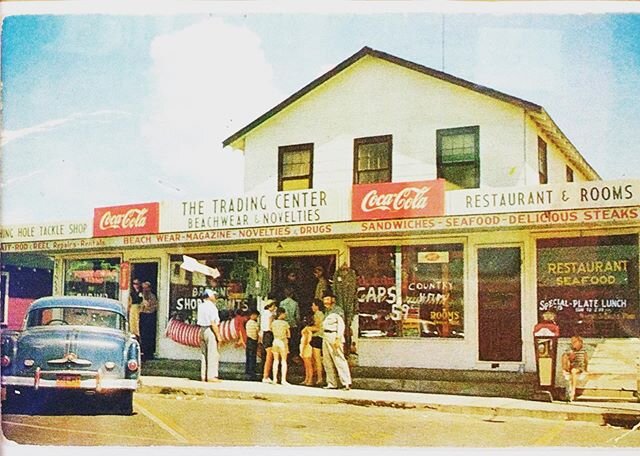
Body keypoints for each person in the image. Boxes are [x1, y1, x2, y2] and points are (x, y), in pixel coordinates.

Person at [321, 292, 351, 390]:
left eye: (327, 299)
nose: (325, 301)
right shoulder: (327, 311)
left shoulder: (337, 311)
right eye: (324, 299)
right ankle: (331, 383)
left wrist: (338, 338)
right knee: (327, 360)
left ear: (333, 300)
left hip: (334, 335)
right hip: (326, 336)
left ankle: (346, 382)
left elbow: (341, 325)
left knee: (339, 359)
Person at [197, 289, 222, 382]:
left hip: (202, 329)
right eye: (213, 295)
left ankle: (203, 375)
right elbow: (213, 322)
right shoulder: (212, 307)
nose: (215, 297)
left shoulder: (201, 306)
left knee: (204, 354)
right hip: (210, 330)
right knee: (212, 353)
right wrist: (218, 335)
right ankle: (211, 376)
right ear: (209, 296)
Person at [562, 335, 589, 401]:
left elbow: (586, 360)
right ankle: (570, 392)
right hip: (572, 366)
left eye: (574, 342)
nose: (572, 344)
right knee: (565, 356)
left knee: (573, 371)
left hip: (579, 367)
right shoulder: (571, 349)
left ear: (580, 342)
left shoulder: (583, 350)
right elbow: (565, 357)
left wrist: (585, 369)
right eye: (572, 342)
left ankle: (573, 392)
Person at [270, 307, 291, 385]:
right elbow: (289, 334)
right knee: (283, 361)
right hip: (283, 341)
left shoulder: (273, 323)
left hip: (275, 341)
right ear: (281, 314)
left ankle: (274, 379)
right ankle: (283, 380)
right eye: (284, 313)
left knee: (275, 361)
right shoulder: (285, 323)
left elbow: (271, 329)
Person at [139, 281, 158, 361]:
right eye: (143, 288)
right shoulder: (140, 296)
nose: (145, 289)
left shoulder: (152, 296)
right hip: (142, 316)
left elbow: (152, 307)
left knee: (149, 336)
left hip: (149, 317)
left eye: (146, 288)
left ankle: (148, 354)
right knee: (142, 335)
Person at [260, 299, 277, 383]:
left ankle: (266, 375)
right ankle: (266, 376)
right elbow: (270, 326)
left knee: (267, 356)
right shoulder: (270, 314)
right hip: (269, 334)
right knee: (269, 356)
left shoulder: (264, 314)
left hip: (264, 334)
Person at [279, 286, 300, 357]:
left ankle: (285, 356)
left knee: (284, 341)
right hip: (292, 324)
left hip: (283, 324)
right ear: (292, 294)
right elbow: (297, 316)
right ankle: (293, 355)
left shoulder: (282, 303)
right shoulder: (295, 303)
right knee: (293, 342)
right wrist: (298, 323)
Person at [308, 298, 325, 386]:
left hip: (317, 337)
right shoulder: (320, 314)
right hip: (319, 337)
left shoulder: (318, 314)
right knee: (315, 359)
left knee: (317, 359)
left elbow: (317, 327)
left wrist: (308, 328)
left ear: (317, 306)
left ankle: (319, 378)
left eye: (313, 305)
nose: (312, 307)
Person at [299, 315, 314, 386]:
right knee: (307, 365)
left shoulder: (306, 330)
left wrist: (302, 350)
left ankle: (310, 379)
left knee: (308, 365)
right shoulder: (308, 329)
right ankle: (307, 378)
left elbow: (305, 341)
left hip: (306, 348)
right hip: (307, 347)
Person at [244, 309, 260, 381]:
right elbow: (258, 332)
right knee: (252, 356)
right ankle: (252, 371)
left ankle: (248, 370)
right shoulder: (254, 323)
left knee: (248, 356)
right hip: (253, 340)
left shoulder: (247, 323)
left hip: (248, 340)